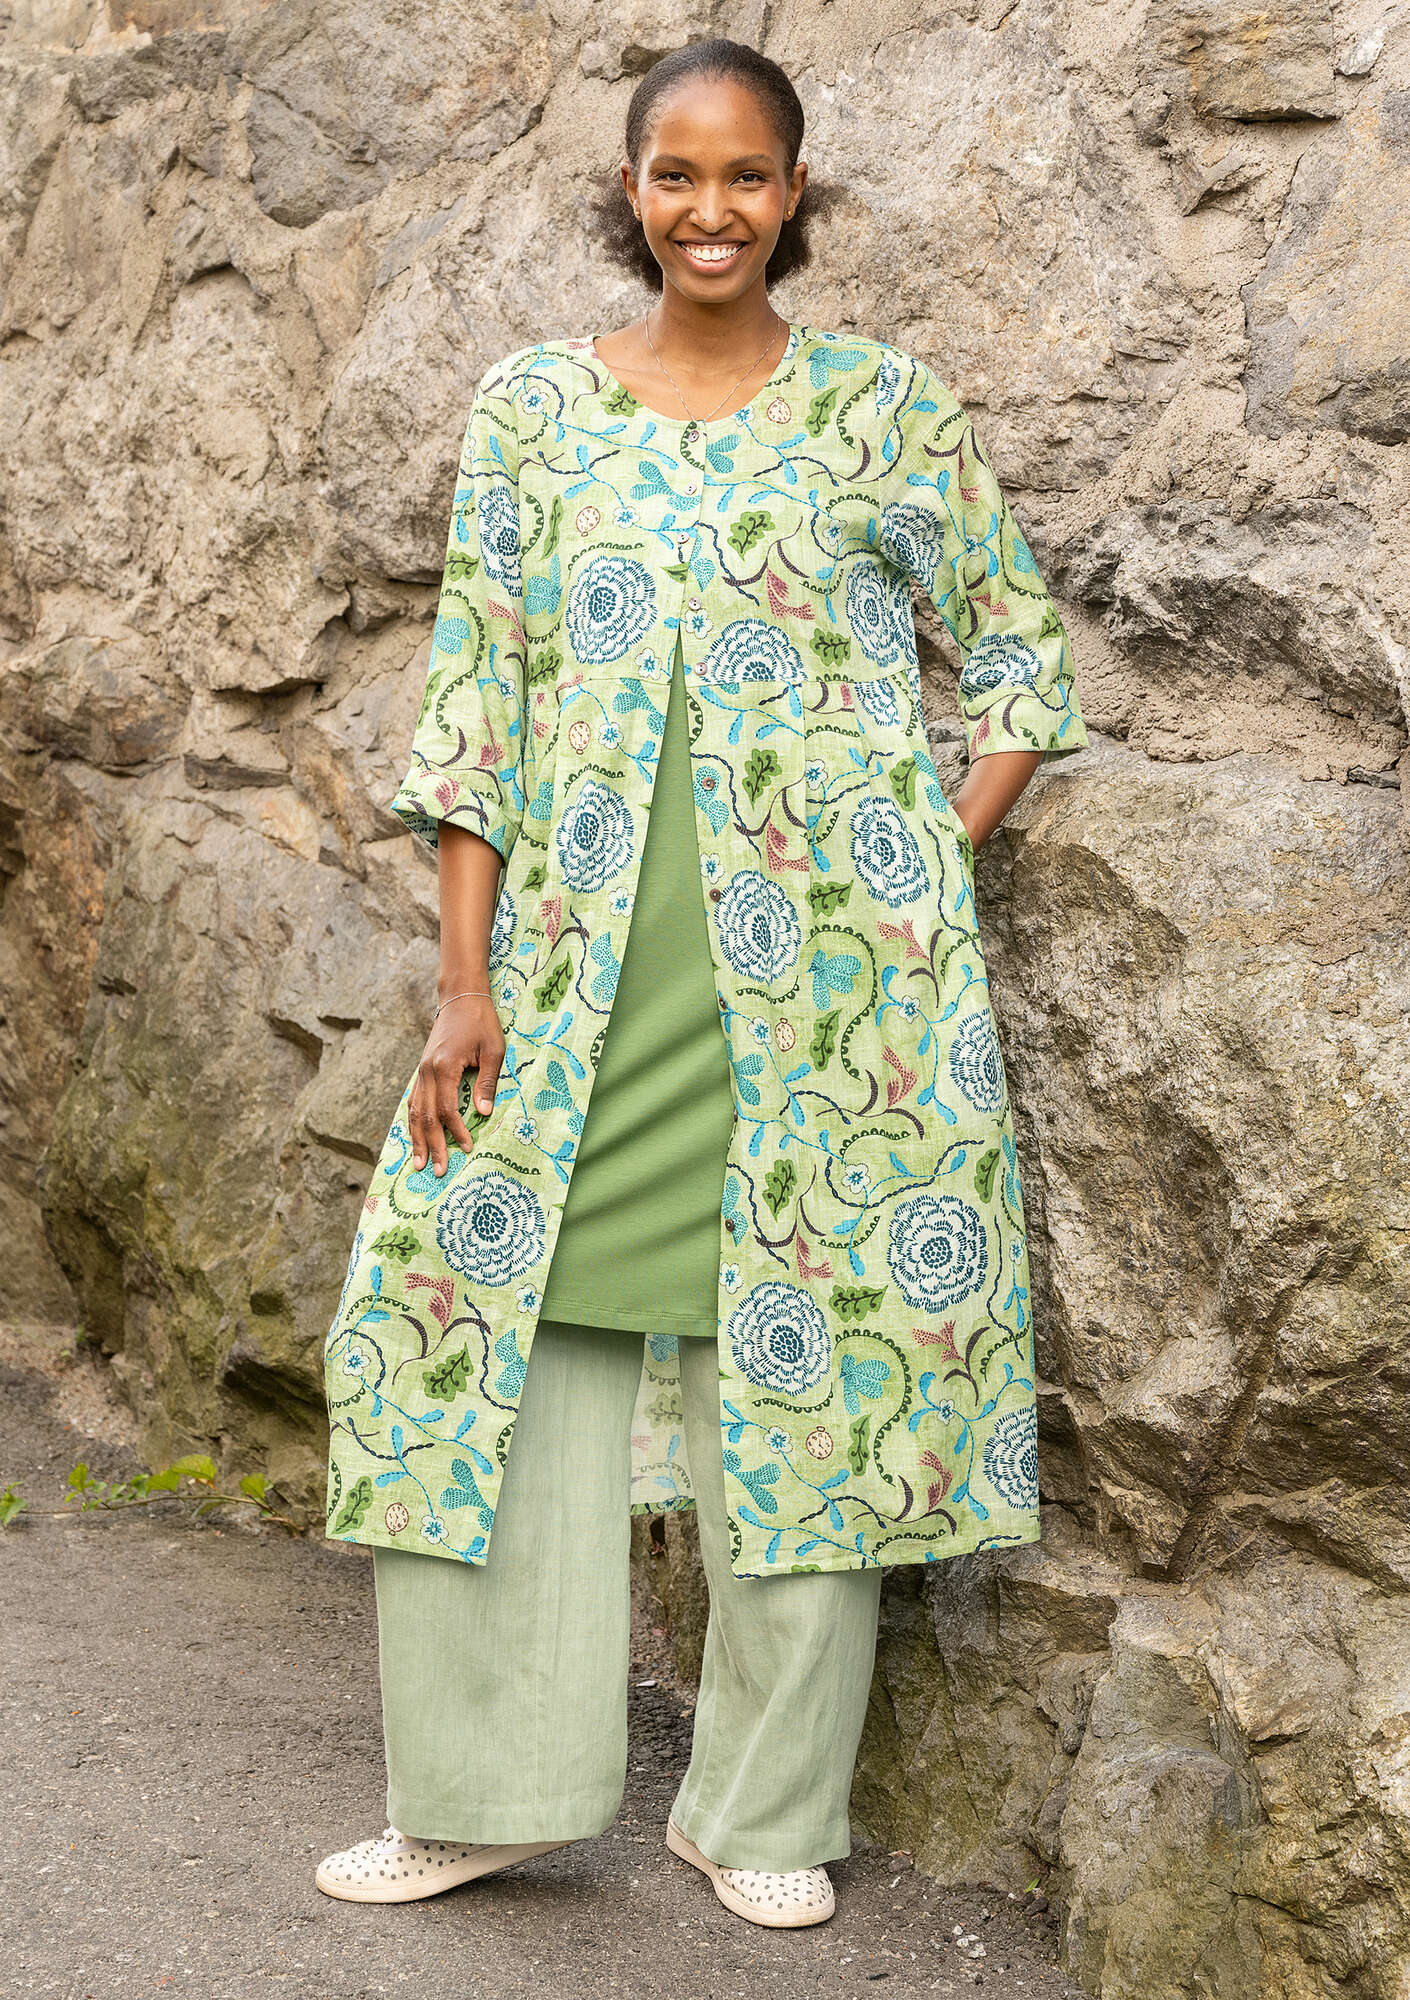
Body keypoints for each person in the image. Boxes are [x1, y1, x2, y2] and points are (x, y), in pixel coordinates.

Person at [317, 36, 1089, 1929]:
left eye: (747, 176)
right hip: (569, 981)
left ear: (794, 195)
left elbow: (1018, 651)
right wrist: (463, 983)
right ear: (631, 190)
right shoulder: (533, 413)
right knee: (462, 1328)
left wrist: (926, 861)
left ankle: (757, 1810)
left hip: (833, 1000)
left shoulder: (883, 411)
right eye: (677, 173)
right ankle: (481, 1793)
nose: (711, 208)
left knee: (811, 1363)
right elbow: (476, 707)